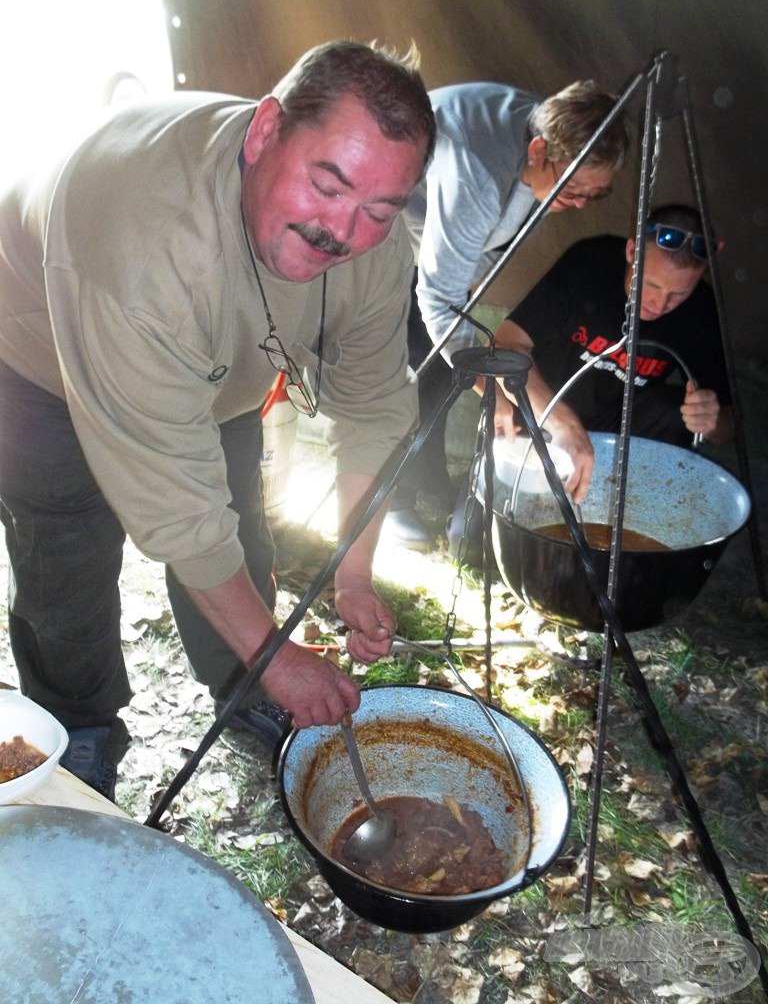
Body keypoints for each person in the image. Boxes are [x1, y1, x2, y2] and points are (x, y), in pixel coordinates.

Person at [0, 40, 436, 797]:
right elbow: (176, 511)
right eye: (327, 186)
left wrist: (354, 574)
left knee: (238, 522)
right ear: (264, 131)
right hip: (38, 361)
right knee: (66, 559)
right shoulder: (143, 244)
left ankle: (243, 683)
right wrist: (281, 653)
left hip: (210, 360)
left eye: (378, 208)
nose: (345, 230)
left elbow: (373, 409)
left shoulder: (374, 241)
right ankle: (80, 727)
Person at [383, 79, 630, 550]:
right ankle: (389, 496)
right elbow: (438, 299)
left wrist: (482, 376)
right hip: (386, 230)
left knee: (441, 369)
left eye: (595, 195)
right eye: (575, 188)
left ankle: (427, 472)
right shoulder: (476, 171)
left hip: (440, 247)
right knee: (408, 363)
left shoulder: (554, 145)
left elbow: (492, 250)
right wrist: (491, 387)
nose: (579, 203)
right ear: (538, 151)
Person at [494, 203, 733, 504]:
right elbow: (504, 347)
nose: (658, 305)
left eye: (678, 294)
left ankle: (637, 512)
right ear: (632, 250)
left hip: (616, 429)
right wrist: (563, 423)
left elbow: (728, 425)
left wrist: (711, 422)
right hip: (544, 413)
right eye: (650, 284)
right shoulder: (589, 264)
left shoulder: (699, 309)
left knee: (673, 411)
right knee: (481, 526)